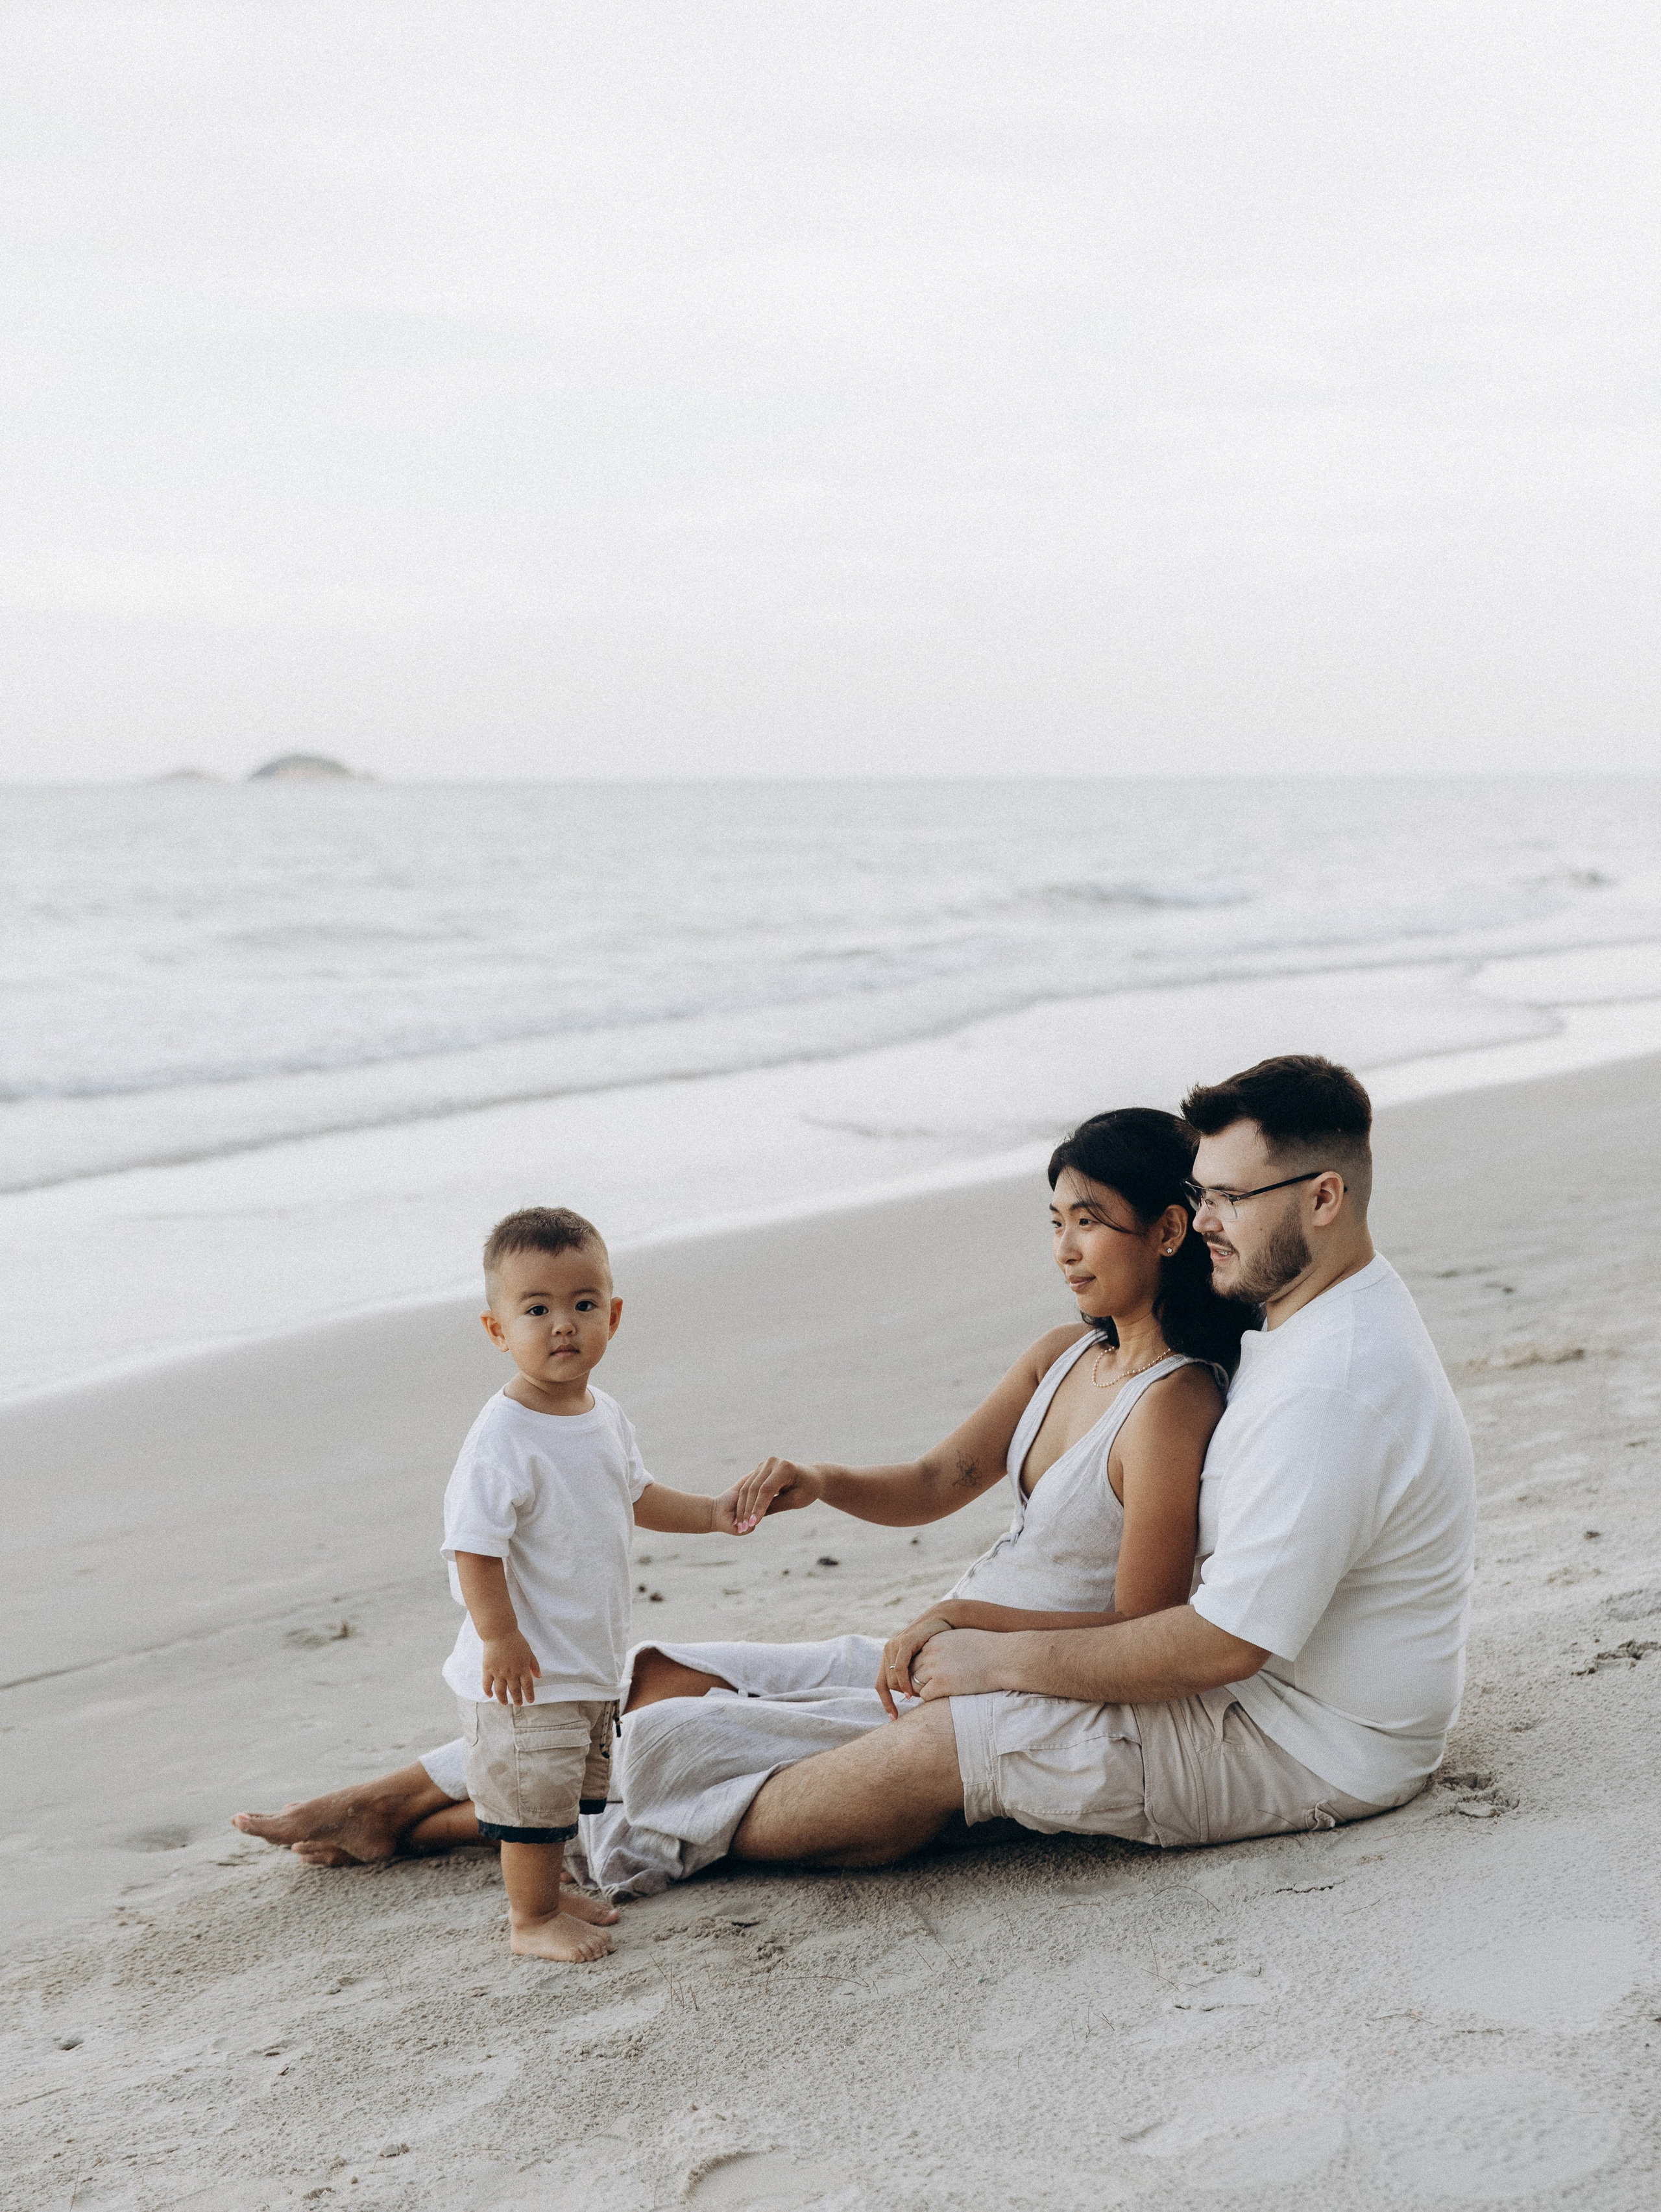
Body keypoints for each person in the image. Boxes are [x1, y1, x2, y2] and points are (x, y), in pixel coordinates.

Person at [239, 1059, 1477, 1884]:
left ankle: (492, 1827)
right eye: (1196, 1198)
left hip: (1299, 1740)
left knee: (801, 1746)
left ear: (1323, 1198)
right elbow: (951, 1477)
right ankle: (398, 1798)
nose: (1204, 1226)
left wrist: (982, 1651)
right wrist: (847, 1500)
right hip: (1187, 1676)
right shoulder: (1279, 1330)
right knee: (661, 1681)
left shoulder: (1317, 1384)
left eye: (1225, 1202)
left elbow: (1209, 1641)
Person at [417, 1205, 757, 1962]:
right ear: (497, 1329)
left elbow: (636, 1494)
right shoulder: (503, 1434)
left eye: (582, 1303)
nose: (563, 1323)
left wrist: (710, 1513)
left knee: (564, 1790)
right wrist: (499, 1635)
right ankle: (530, 1917)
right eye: (536, 1309)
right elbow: (473, 1546)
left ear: (614, 1314)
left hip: (585, 1658)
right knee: (529, 1799)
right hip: (524, 1668)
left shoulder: (604, 1414)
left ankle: (552, 1892)